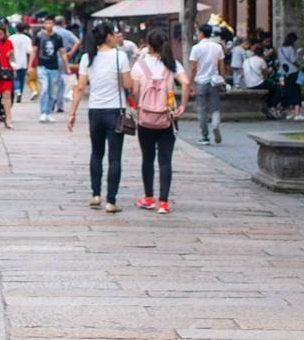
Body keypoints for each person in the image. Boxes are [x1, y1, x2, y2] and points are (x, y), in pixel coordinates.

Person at [67, 22, 133, 212]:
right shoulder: (120, 56)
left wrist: (72, 113)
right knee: (115, 157)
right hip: (115, 111)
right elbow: (128, 84)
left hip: (95, 111)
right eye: (114, 35)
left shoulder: (87, 57)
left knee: (96, 153)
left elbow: (80, 87)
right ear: (109, 37)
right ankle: (111, 201)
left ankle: (96, 195)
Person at [129, 29, 183, 213]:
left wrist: (137, 106)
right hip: (167, 117)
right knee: (165, 160)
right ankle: (164, 202)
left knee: (147, 158)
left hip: (145, 119)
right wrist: (182, 105)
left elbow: (134, 92)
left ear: (148, 45)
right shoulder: (172, 64)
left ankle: (149, 197)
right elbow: (186, 82)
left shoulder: (139, 65)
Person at [188, 24, 227, 145]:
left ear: (201, 33)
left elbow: (193, 68)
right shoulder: (217, 47)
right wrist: (223, 79)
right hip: (214, 81)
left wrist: (190, 83)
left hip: (201, 81)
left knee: (202, 109)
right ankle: (215, 124)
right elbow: (222, 66)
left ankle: (205, 136)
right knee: (215, 107)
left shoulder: (196, 48)